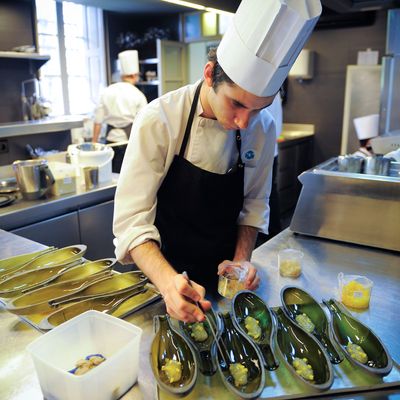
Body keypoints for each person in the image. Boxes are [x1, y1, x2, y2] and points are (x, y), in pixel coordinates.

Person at [113, 0, 322, 323]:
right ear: (209, 75)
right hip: (164, 278)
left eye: (258, 108)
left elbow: (254, 204)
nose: (244, 122)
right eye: (237, 104)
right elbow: (131, 221)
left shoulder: (261, 127)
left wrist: (240, 263)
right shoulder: (161, 119)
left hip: (223, 281)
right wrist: (169, 283)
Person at [93, 50, 147, 172]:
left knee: (110, 177)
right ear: (134, 75)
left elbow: (98, 121)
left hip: (109, 142)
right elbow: (145, 122)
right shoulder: (138, 95)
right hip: (130, 143)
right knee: (128, 177)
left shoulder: (106, 91)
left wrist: (94, 144)